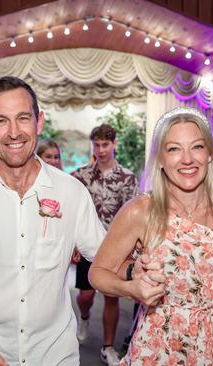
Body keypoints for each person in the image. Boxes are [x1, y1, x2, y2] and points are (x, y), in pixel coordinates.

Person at [0, 76, 107, 365]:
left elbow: (105, 258)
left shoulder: (72, 191)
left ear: (39, 121)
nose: (14, 132)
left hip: (56, 356)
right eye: (1, 121)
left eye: (23, 118)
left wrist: (141, 268)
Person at [89, 107, 213, 365]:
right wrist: (130, 287)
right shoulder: (140, 211)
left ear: (210, 154)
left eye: (197, 147)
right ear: (160, 160)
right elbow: (98, 272)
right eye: (174, 149)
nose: (187, 159)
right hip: (160, 345)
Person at [71, 124, 140, 366]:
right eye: (96, 145)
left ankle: (108, 347)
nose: (100, 150)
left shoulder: (128, 178)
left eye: (105, 145)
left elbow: (134, 217)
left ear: (114, 144)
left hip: (116, 248)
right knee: (86, 296)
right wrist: (73, 244)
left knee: (112, 297)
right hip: (87, 246)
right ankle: (85, 316)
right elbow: (72, 214)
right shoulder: (80, 176)